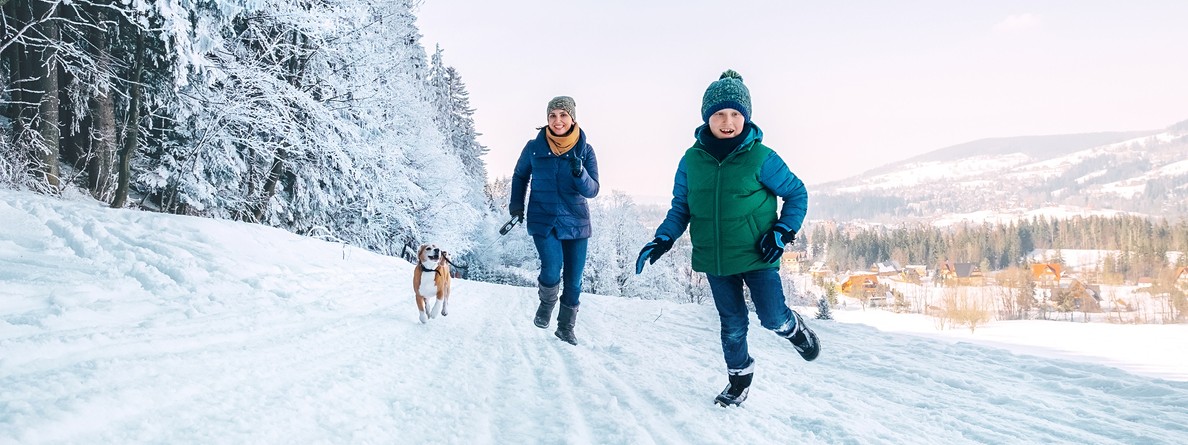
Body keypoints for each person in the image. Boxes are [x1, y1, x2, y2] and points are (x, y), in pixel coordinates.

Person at [635, 70, 819, 407]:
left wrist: (781, 231)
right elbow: (681, 208)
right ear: (708, 118)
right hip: (715, 259)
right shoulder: (691, 161)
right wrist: (663, 238)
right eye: (719, 114)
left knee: (772, 317)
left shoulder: (762, 157)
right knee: (732, 325)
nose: (728, 121)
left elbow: (797, 194)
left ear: (745, 117)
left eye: (735, 114)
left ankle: (794, 329)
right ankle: (739, 380)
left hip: (758, 254)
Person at [509, 96, 600, 345]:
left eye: (563, 115)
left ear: (572, 118)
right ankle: (546, 303)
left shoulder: (585, 150)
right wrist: (516, 206)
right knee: (551, 267)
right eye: (552, 116)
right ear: (547, 119)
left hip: (577, 223)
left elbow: (592, 190)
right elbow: (519, 176)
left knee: (574, 279)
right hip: (543, 219)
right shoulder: (534, 148)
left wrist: (579, 173)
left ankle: (566, 327)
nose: (557, 120)